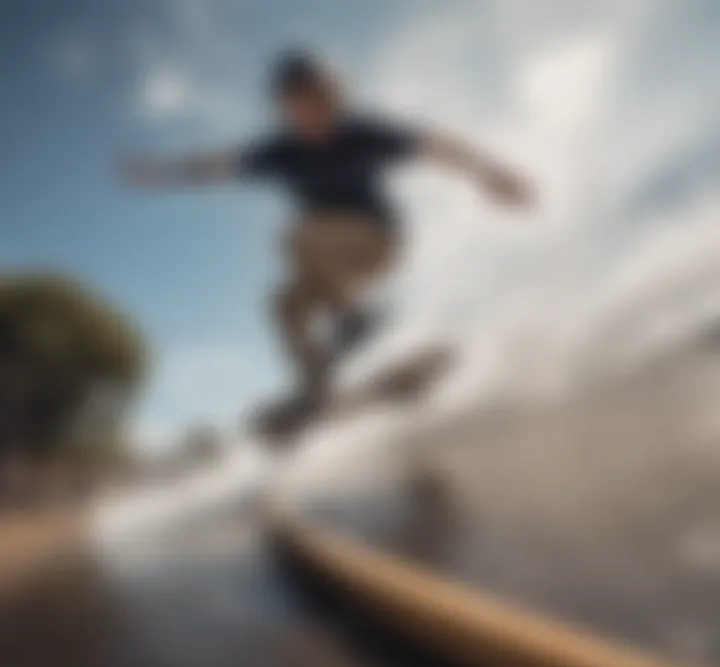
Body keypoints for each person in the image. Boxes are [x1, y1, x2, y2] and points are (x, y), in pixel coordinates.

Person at [122, 50, 533, 422]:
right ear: (285, 109)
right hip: (328, 264)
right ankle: (320, 388)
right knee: (282, 304)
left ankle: (358, 321)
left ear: (335, 99)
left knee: (298, 235)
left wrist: (492, 174)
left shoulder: (365, 133)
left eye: (319, 102)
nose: (310, 116)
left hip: (377, 242)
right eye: (297, 107)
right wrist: (161, 172)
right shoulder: (280, 152)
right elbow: (219, 165)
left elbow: (438, 147)